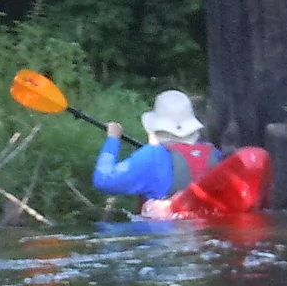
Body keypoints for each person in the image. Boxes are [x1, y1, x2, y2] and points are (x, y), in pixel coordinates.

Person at [92, 90, 221, 216]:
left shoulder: (152, 156)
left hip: (165, 233)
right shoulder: (214, 154)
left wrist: (113, 139)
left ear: (155, 126)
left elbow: (103, 180)